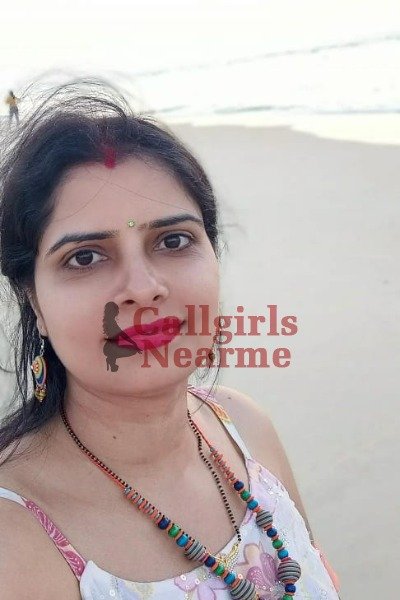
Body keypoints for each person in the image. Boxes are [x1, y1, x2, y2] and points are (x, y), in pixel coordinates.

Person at [0, 81, 340, 599]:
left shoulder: (244, 427)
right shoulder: (15, 541)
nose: (143, 288)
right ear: (34, 302)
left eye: (173, 240)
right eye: (85, 257)